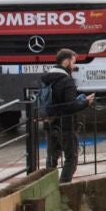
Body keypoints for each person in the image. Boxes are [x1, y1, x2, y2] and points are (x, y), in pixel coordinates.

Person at [42, 47, 89, 183]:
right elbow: (70, 106)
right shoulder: (66, 81)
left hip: (50, 122)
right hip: (65, 124)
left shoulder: (46, 78)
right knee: (71, 158)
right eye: (73, 62)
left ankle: (48, 186)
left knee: (52, 158)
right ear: (67, 61)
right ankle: (64, 186)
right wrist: (86, 102)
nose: (74, 66)